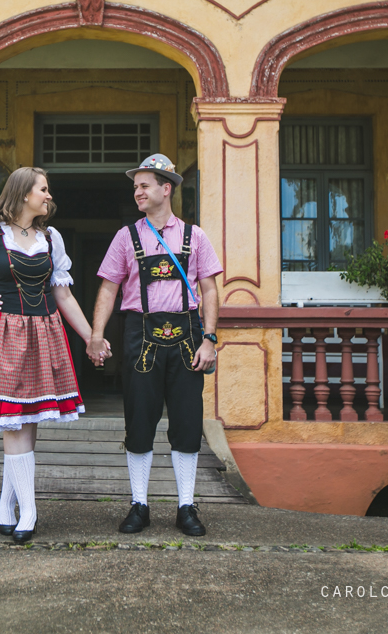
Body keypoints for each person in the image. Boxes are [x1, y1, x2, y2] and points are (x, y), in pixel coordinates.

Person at [0, 166, 108, 543]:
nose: (48, 196)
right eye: (43, 190)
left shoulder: (51, 238)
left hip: (43, 331)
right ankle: (29, 510)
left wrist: (90, 337)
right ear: (23, 194)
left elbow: (63, 295)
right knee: (14, 422)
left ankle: (6, 508)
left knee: (26, 421)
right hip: (6, 333)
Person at [87, 154, 222, 537]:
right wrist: (97, 334)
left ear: (167, 188)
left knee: (186, 420)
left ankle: (185, 506)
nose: (137, 192)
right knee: (139, 419)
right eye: (135, 187)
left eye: (144, 185)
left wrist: (209, 339)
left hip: (188, 337)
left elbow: (209, 289)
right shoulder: (125, 237)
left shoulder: (196, 237)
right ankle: (140, 504)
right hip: (138, 333)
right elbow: (109, 288)